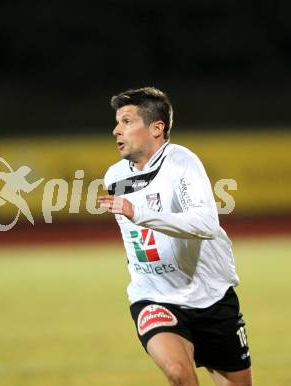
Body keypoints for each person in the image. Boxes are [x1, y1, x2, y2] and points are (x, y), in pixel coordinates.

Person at [98, 87, 252, 386]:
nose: (116, 130)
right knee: (178, 373)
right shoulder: (115, 176)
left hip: (210, 297)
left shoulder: (182, 163)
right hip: (153, 296)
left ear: (157, 128)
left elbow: (205, 224)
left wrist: (138, 212)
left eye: (127, 121)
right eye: (117, 122)